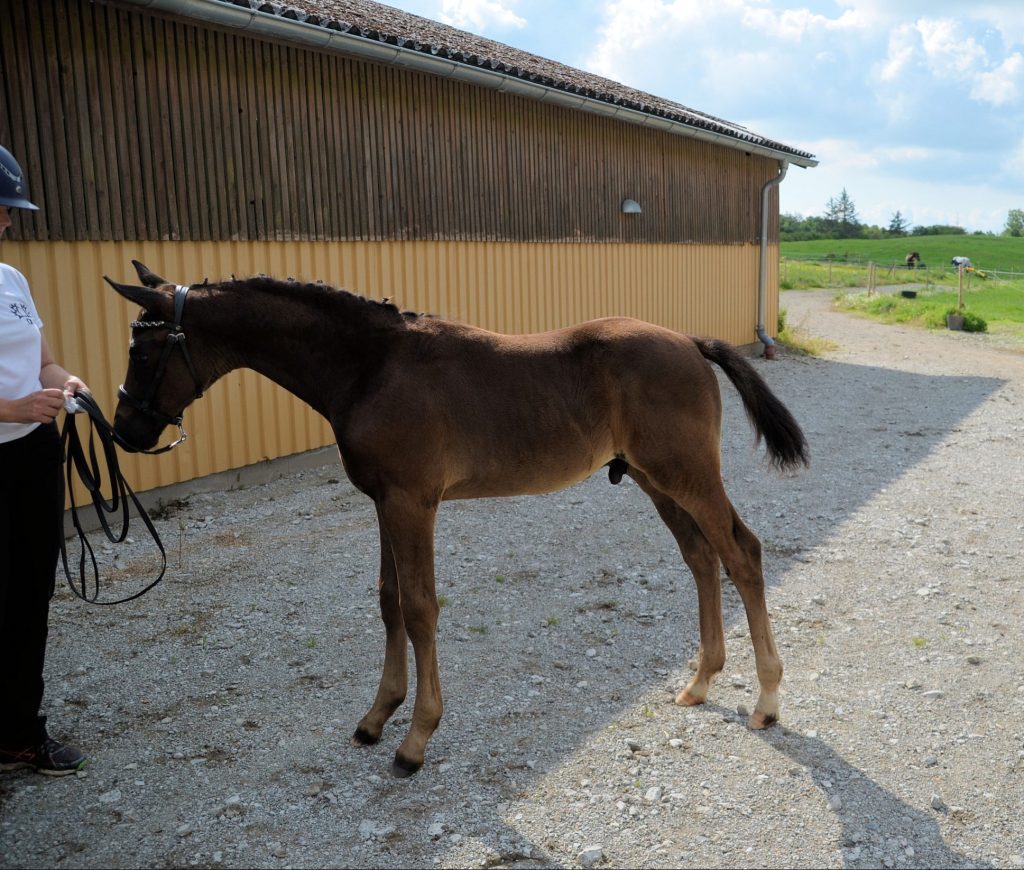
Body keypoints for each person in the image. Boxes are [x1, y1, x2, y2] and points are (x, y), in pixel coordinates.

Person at [0, 144, 90, 775]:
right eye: (0, 209)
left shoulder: (12, 281)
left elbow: (43, 360)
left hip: (31, 457)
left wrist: (68, 383)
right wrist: (10, 410)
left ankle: (18, 732)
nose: (8, 221)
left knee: (30, 594)